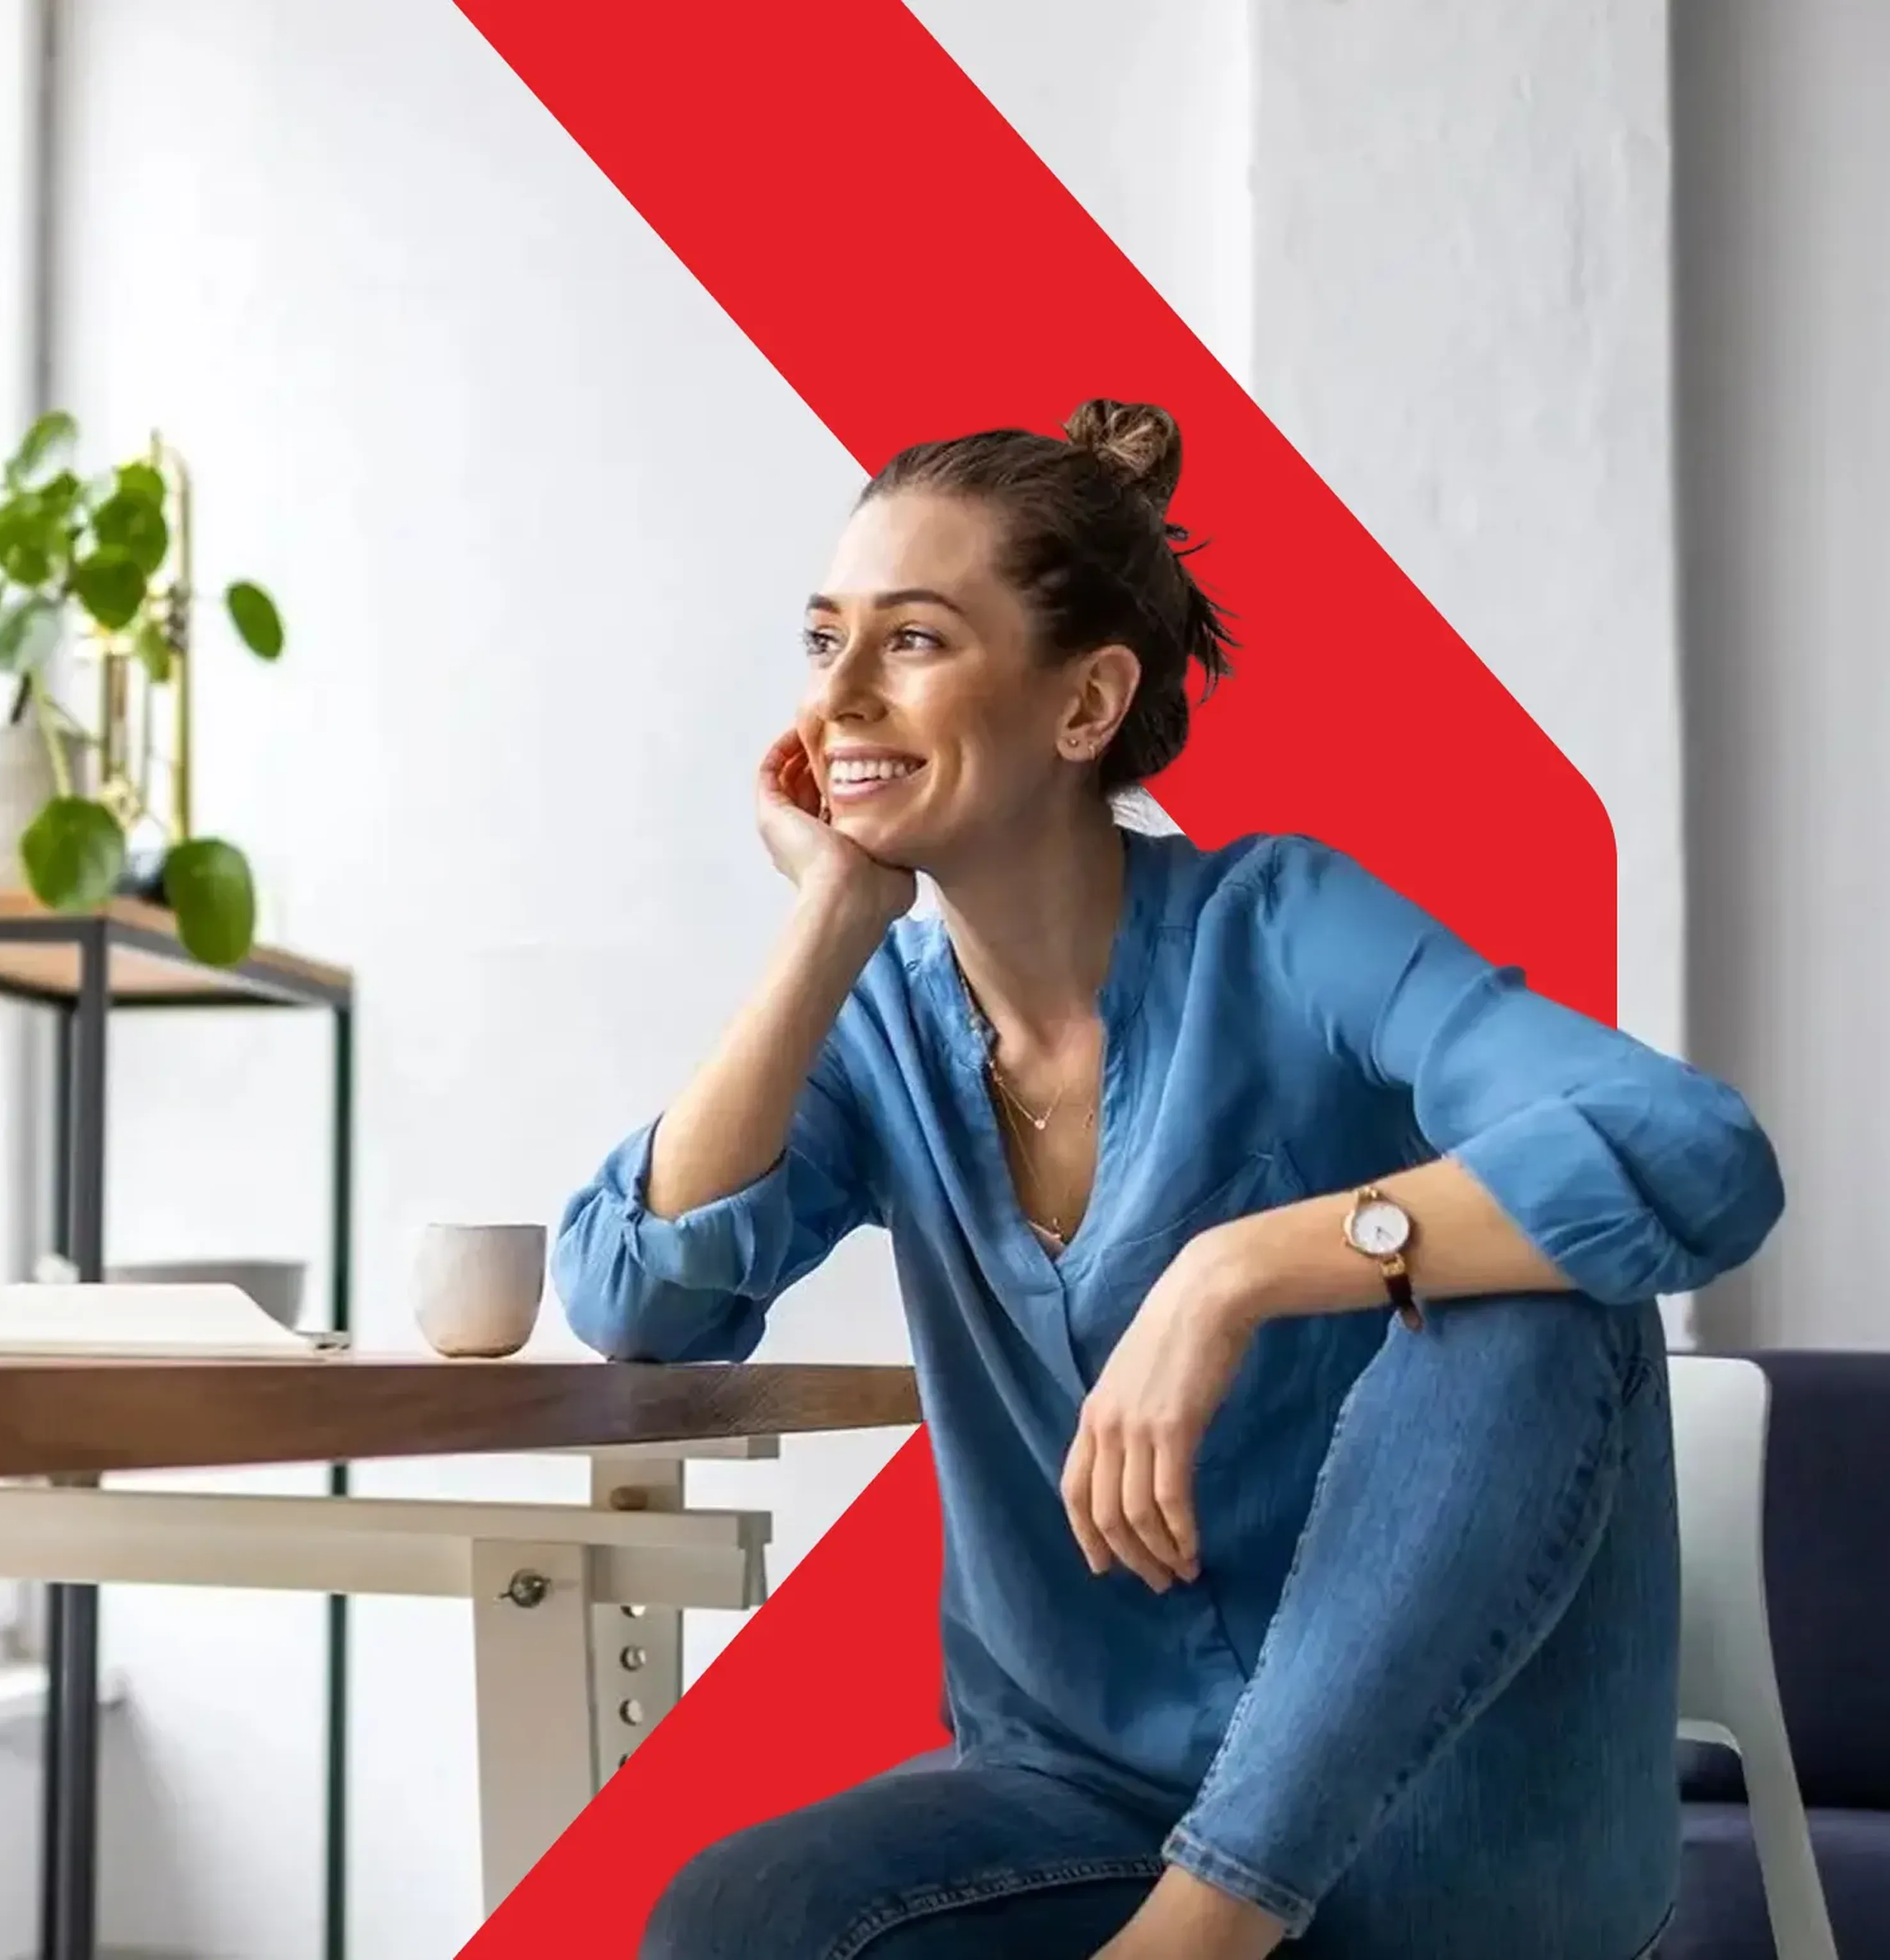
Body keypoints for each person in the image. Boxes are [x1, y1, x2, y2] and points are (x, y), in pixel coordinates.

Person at [551, 399, 1783, 1960]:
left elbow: (1699, 1154)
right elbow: (636, 1301)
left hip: (1448, 1822)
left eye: (912, 642)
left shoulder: (1289, 929)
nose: (840, 700)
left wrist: (1243, 1266)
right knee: (739, 1920)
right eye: (821, 641)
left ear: (1086, 709)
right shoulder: (882, 1033)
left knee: (1533, 1296)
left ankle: (1209, 1929)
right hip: (1083, 1800)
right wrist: (829, 923)